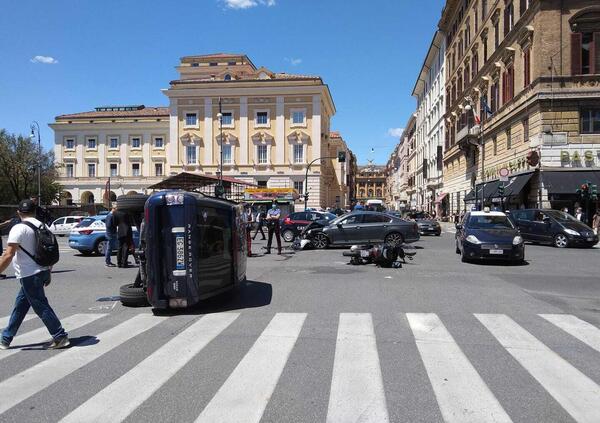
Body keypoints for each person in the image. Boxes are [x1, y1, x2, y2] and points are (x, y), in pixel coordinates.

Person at [0, 199, 69, 350]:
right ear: (35, 211)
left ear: (19, 212)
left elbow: (8, 254)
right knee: (20, 306)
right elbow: (48, 250)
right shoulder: (42, 226)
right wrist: (48, 271)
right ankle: (5, 339)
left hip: (29, 275)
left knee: (41, 306)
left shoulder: (18, 228)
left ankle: (60, 336)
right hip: (42, 271)